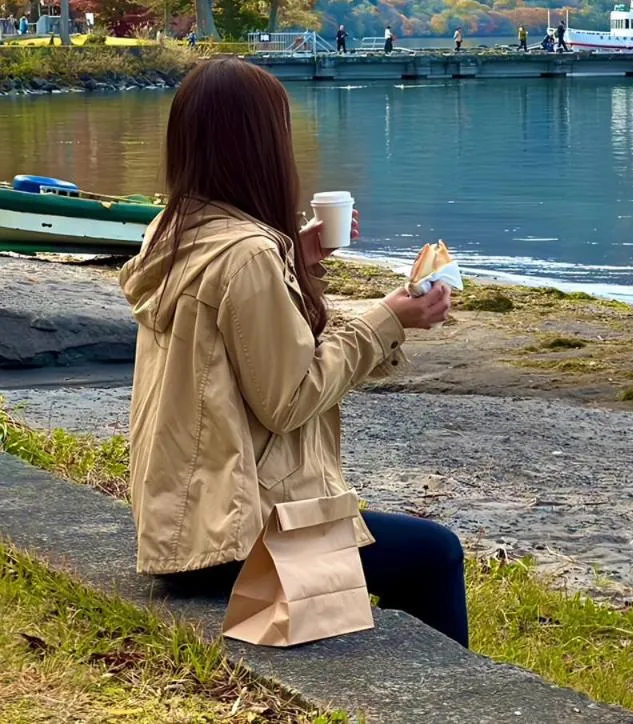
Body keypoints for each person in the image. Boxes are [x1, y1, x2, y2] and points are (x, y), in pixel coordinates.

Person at [118, 58, 466, 647]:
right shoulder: (248, 255)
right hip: (237, 540)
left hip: (183, 523)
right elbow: (289, 398)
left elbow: (229, 338)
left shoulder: (174, 230)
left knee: (412, 551)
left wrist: (295, 259)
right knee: (435, 553)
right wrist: (389, 318)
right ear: (259, 145)